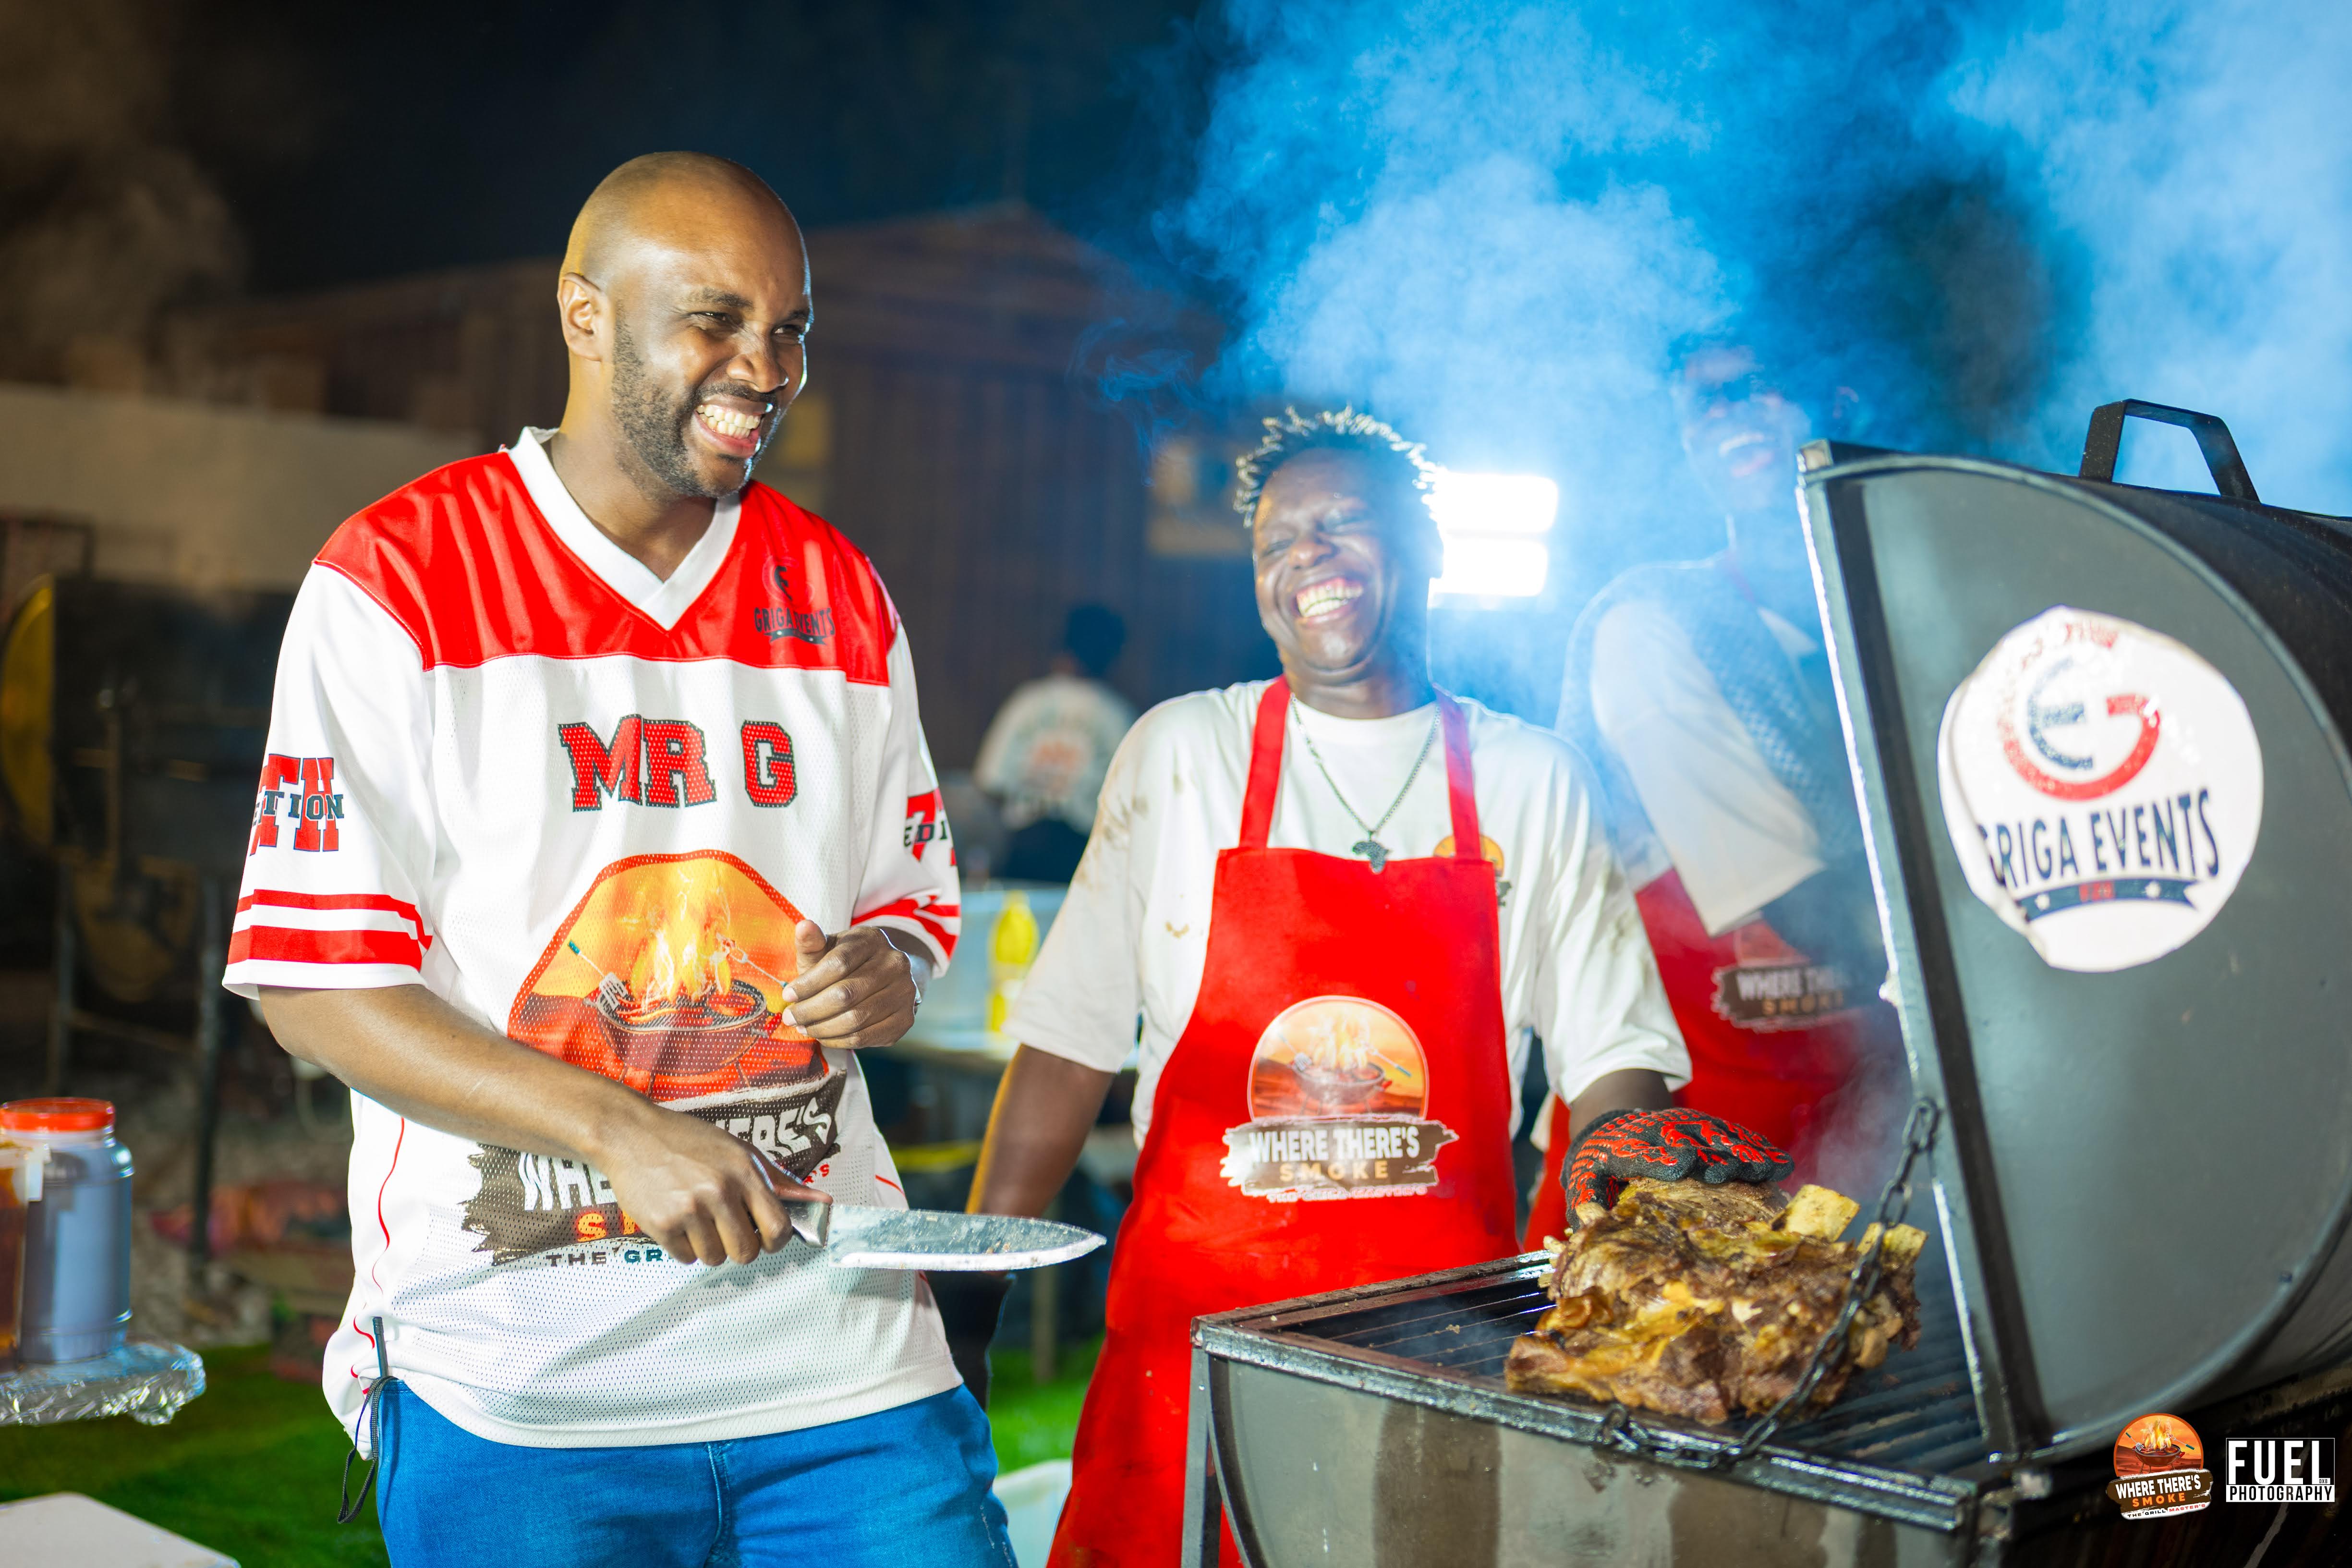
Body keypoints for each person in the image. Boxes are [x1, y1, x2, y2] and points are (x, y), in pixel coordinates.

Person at [226, 154, 1012, 1567]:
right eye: (715, 319)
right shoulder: (397, 574)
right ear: (584, 316)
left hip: (844, 1356)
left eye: (791, 328)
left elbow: (909, 904)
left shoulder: (837, 591)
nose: (766, 367)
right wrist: (616, 1128)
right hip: (522, 1376)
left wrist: (885, 968)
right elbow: (316, 986)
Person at [958, 408, 1691, 1566]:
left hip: (1434, 1358)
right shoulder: (1180, 753)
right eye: (1276, 541)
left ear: (1430, 546)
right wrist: (975, 1290)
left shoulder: (1525, 779)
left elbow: (1613, 1056)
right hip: (1184, 1352)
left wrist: (1623, 1206)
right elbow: (1066, 1043)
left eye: (1344, 523)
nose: (1308, 557)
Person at [1535, 334, 1907, 1243]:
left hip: (1874, 1123)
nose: (1728, 413)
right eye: (1700, 404)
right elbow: (1806, 907)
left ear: (1841, 399)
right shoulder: (1653, 628)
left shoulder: (1904, 618)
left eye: (1758, 384)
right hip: (1693, 1140)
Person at [972, 604, 1137, 882]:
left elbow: (990, 782)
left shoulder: (1027, 702)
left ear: (1062, 646)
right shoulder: (1118, 717)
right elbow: (1130, 805)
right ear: (1114, 656)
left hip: (1021, 846)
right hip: (1082, 858)